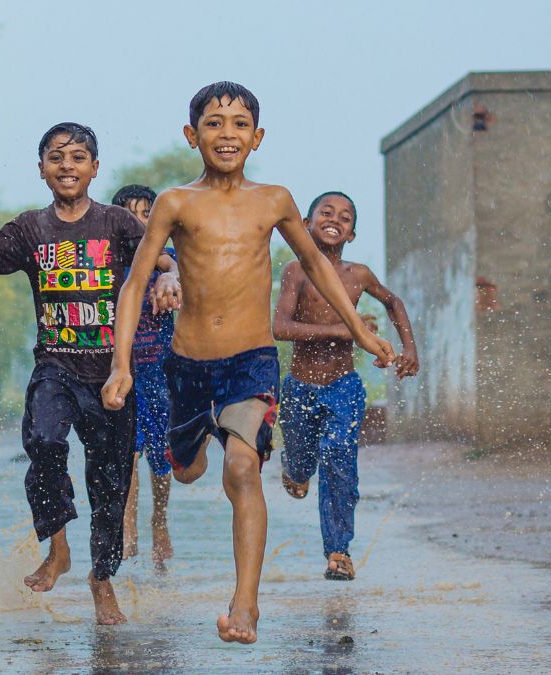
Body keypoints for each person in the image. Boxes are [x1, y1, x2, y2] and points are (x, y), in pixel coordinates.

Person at [101, 82, 396, 644]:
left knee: (240, 469)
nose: (227, 133)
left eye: (239, 124)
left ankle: (245, 607)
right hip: (186, 364)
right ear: (192, 135)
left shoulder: (275, 200)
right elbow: (137, 283)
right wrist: (122, 366)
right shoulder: (175, 203)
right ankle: (204, 435)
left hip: (251, 363)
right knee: (185, 471)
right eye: (214, 123)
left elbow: (319, 268)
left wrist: (361, 332)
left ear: (257, 136)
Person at [0, 123, 177, 625]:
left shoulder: (119, 225)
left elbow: (165, 260)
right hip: (56, 367)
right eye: (56, 157)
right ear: (41, 168)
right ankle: (59, 547)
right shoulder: (27, 230)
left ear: (95, 168)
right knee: (43, 443)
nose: (67, 165)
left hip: (112, 372)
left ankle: (101, 579)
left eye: (79, 156)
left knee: (109, 483)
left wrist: (167, 280)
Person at [272, 190, 419, 582]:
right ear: (306, 223)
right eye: (326, 212)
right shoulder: (296, 271)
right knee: (304, 462)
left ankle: (338, 551)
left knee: (339, 456)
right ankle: (295, 469)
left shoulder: (359, 274)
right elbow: (281, 327)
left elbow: (393, 301)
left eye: (346, 216)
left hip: (344, 385)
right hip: (301, 388)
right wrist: (341, 328)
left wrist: (409, 348)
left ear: (352, 233)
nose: (336, 219)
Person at [111, 184, 176, 568]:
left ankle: (160, 520)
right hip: (123, 370)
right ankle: (128, 523)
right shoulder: (110, 264)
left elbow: (179, 272)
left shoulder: (166, 261)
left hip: (161, 374)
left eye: (145, 212)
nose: (137, 220)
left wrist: (174, 279)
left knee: (160, 456)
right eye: (128, 213)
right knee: (128, 453)